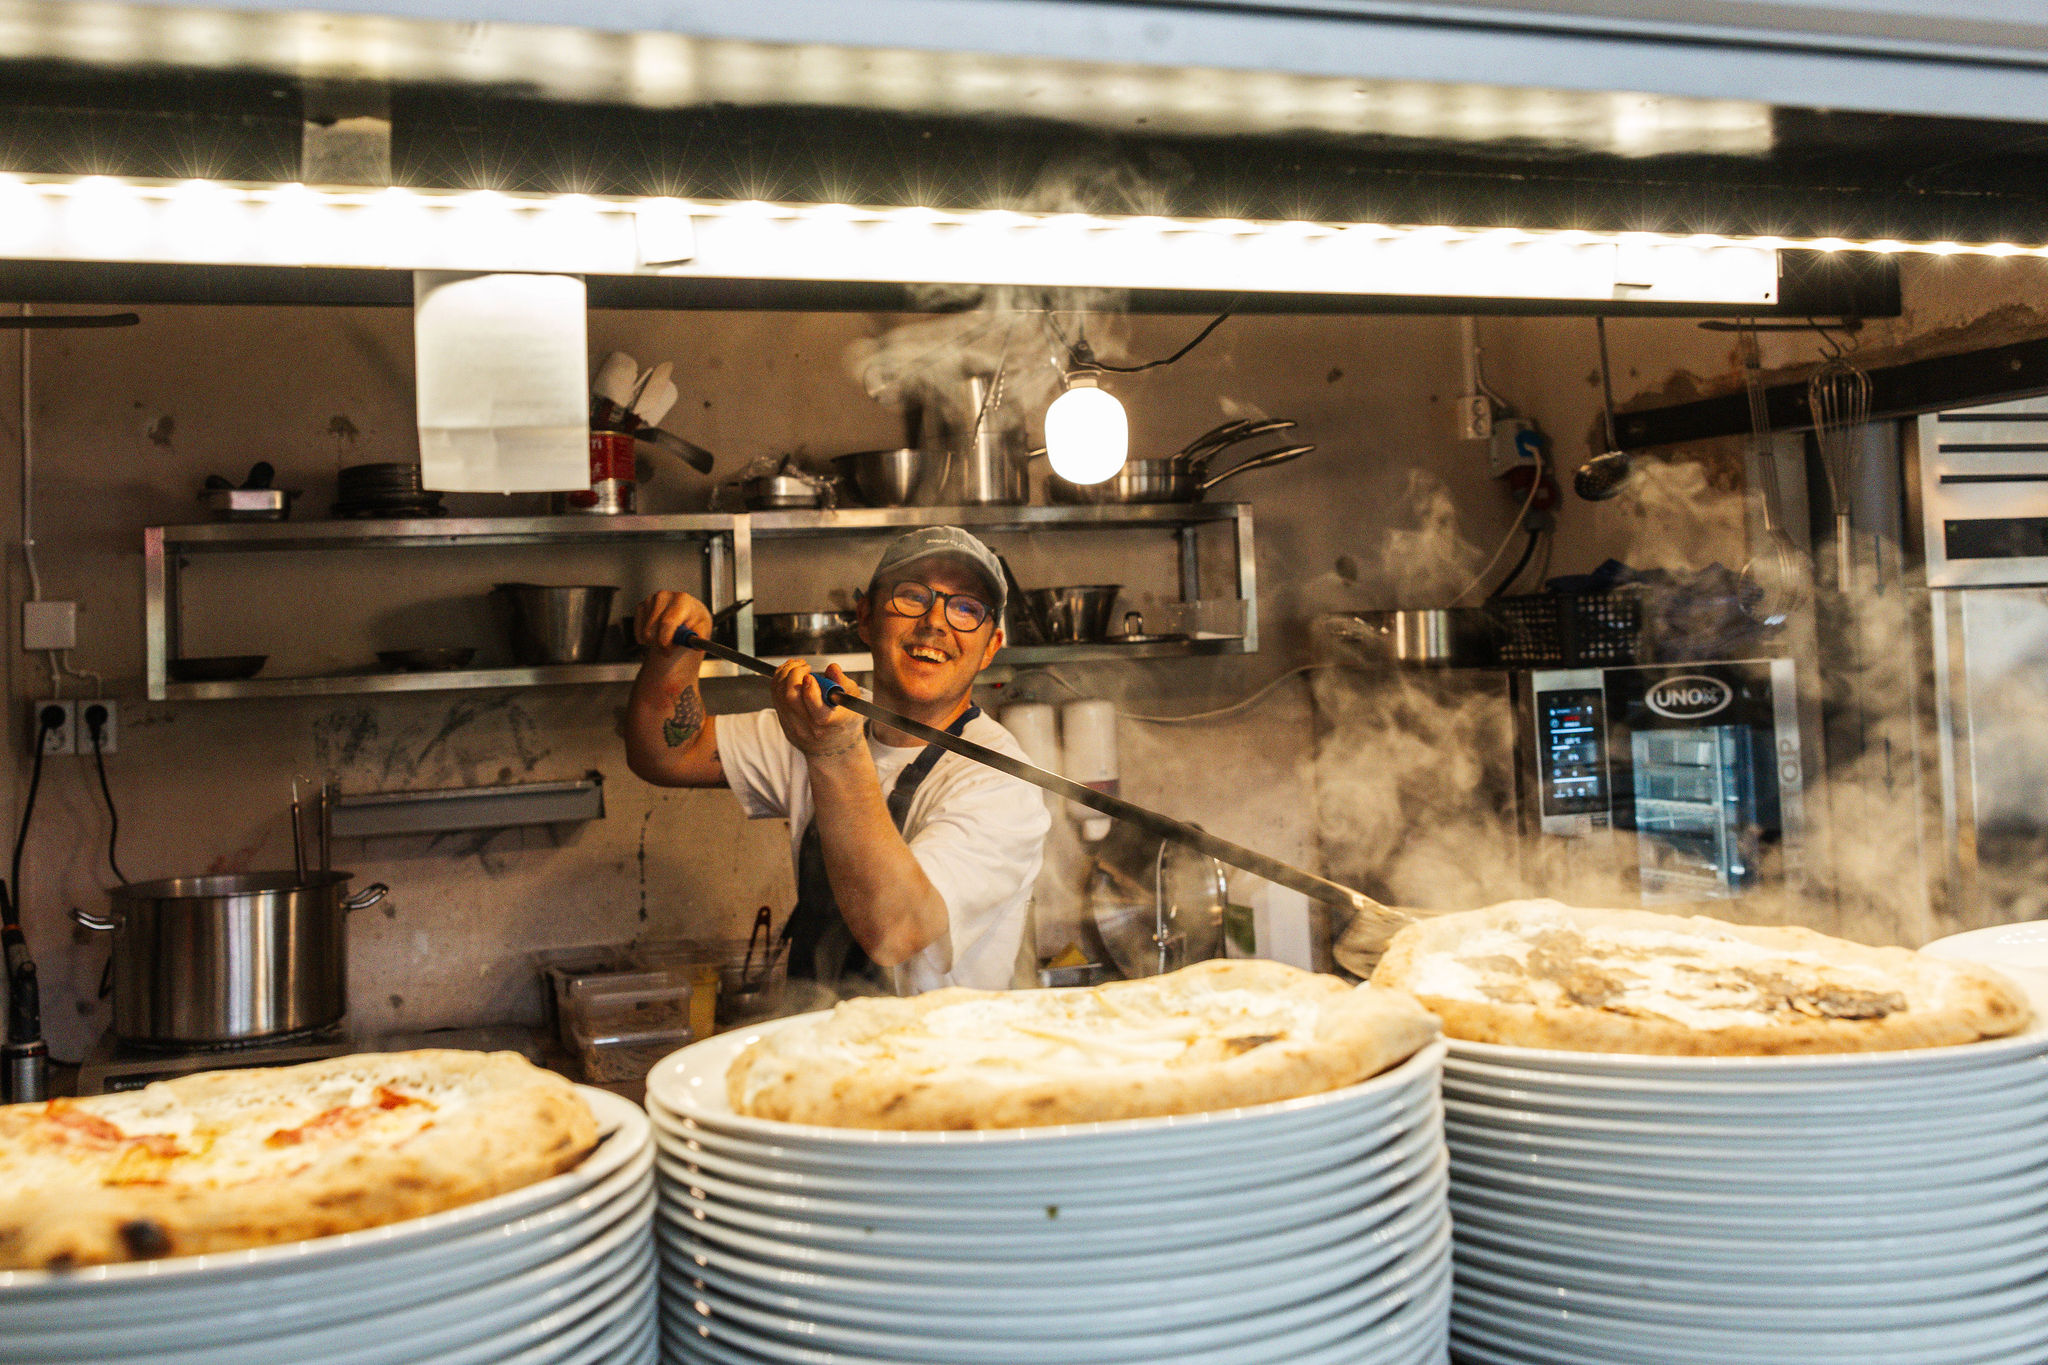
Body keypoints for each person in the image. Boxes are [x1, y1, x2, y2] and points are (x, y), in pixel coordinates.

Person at [624, 526, 1051, 994]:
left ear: (991, 646)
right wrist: (673, 654)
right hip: (818, 1041)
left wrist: (832, 752)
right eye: (912, 596)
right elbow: (667, 755)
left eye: (966, 608)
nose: (936, 621)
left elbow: (897, 931)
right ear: (865, 618)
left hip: (941, 1062)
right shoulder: (818, 719)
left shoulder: (1000, 781)